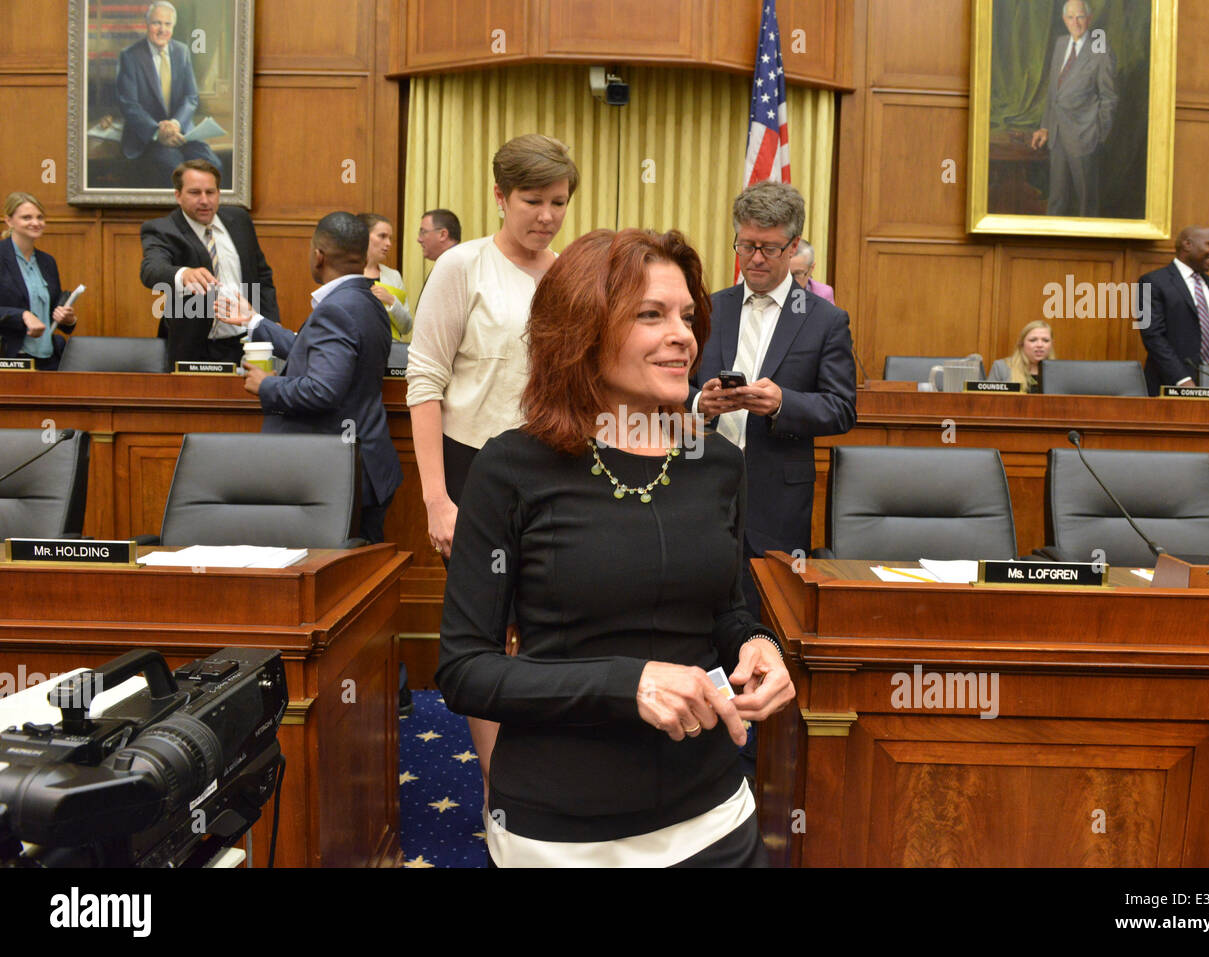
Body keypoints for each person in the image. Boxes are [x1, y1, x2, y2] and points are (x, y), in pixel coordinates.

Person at [436, 227, 795, 867]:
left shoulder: (716, 461)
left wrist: (756, 644)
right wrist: (626, 683)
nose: (682, 334)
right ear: (582, 330)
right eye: (650, 315)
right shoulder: (512, 467)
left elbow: (724, 611)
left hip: (714, 812)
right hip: (561, 832)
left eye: (687, 315)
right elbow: (466, 671)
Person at [407, 133, 577, 795]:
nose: (546, 215)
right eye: (532, 200)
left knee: (538, 630)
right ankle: (497, 786)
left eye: (559, 202)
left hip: (549, 469)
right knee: (487, 633)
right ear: (499, 196)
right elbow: (424, 381)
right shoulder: (462, 267)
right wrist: (436, 498)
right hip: (471, 467)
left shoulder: (566, 274)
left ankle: (536, 772)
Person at [690, 181, 857, 616]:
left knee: (769, 616)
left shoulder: (825, 320)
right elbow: (671, 387)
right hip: (701, 486)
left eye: (768, 247)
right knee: (696, 606)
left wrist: (783, 404)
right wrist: (698, 405)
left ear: (793, 245)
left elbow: (841, 409)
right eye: (746, 246)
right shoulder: (708, 309)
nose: (755, 258)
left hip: (777, 500)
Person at [228, 212, 401, 544]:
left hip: (338, 474)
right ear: (363, 256)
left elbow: (323, 389)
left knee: (338, 581)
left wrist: (267, 385)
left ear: (319, 255)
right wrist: (254, 322)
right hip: (362, 465)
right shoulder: (367, 300)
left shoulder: (336, 309)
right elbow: (322, 354)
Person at [140, 159, 279, 366]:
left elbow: (262, 274)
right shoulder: (163, 229)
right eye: (195, 193)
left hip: (243, 341)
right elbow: (151, 270)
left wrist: (270, 323)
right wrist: (183, 274)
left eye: (210, 192)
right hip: (193, 346)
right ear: (178, 195)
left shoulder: (239, 220)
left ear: (219, 193)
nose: (204, 200)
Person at [115, 1, 223, 188]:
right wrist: (158, 130)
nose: (162, 29)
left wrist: (175, 123)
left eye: (168, 24)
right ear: (147, 25)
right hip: (149, 137)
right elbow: (129, 104)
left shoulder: (182, 52)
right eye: (157, 23)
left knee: (214, 166)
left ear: (173, 27)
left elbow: (191, 96)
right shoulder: (130, 56)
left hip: (182, 133)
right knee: (175, 171)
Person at [1030, 0, 1117, 217]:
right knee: (1057, 202)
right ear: (1064, 19)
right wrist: (1045, 128)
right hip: (1058, 136)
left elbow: (1109, 98)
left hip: (1085, 139)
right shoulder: (1060, 44)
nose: (1075, 22)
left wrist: (1098, 135)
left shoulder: (1100, 49)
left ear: (1089, 19)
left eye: (1080, 17)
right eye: (1070, 17)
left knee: (1087, 205)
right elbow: (1054, 93)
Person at [1138, 225, 1209, 394]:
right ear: (1188, 244)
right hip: (1172, 383)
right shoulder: (1152, 281)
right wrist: (1182, 379)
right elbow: (1153, 336)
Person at [0, 193, 77, 369]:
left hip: (47, 358)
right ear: (9, 221)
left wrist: (68, 319)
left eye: (40, 217)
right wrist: (23, 316)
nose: (36, 223)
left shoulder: (47, 262)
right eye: (27, 217)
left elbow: (52, 312)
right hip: (10, 358)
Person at [359, 213, 413, 340]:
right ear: (363, 237)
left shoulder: (393, 276)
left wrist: (391, 300)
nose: (388, 243)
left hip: (387, 353)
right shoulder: (345, 272)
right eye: (382, 236)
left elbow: (406, 327)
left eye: (390, 238)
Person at [989, 320, 1055, 393]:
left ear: (1051, 344)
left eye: (1045, 340)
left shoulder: (1058, 372)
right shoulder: (1001, 368)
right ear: (1021, 343)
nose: (1039, 345)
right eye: (1033, 340)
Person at [789, 239, 835, 304]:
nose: (790, 280)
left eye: (797, 274)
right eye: (786, 273)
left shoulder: (823, 294)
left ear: (811, 269)